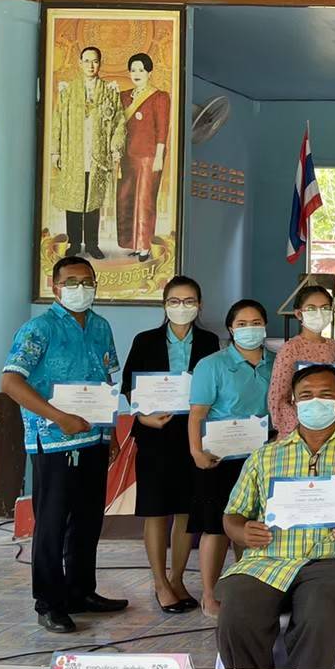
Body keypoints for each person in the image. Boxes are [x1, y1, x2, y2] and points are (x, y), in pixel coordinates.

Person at [217, 365, 335, 669]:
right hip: (268, 559)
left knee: (318, 616)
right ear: (294, 403)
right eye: (306, 395)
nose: (316, 402)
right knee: (237, 609)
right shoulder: (264, 456)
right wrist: (243, 532)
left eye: (325, 395)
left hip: (334, 561)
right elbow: (232, 515)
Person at [1, 257, 127, 633]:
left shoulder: (101, 326)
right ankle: (49, 602)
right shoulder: (38, 329)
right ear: (55, 286)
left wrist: (111, 433)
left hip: (94, 438)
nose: (80, 288)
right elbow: (10, 382)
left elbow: (106, 382)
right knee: (52, 523)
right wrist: (58, 416)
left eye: (87, 281)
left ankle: (80, 592)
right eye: (71, 281)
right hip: (55, 441)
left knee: (88, 520)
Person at [121, 275, 219, 613]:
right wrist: (143, 415)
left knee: (186, 510)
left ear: (199, 305)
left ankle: (177, 579)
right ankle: (160, 582)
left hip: (193, 435)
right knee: (157, 509)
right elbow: (129, 386)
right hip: (155, 434)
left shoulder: (209, 341)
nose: (182, 307)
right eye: (175, 301)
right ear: (164, 305)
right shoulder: (145, 340)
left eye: (189, 301)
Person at [189, 299, 275, 617]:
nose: (250, 329)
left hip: (261, 458)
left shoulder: (276, 362)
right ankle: (210, 595)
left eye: (256, 323)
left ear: (265, 326)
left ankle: (246, 590)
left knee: (251, 526)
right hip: (218, 458)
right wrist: (196, 451)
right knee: (216, 528)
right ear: (230, 328)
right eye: (242, 324)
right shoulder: (212, 365)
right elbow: (197, 414)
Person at [51, 45, 123, 260]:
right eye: (87, 61)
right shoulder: (68, 91)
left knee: (93, 200)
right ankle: (74, 243)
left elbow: (119, 121)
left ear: (100, 64)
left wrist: (115, 147)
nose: (91, 65)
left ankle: (92, 244)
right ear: (80, 63)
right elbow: (57, 122)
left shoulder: (109, 91)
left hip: (97, 154)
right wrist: (56, 151)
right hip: (73, 153)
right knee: (74, 200)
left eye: (95, 61)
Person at [268, 283, 335, 436]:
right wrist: (300, 429)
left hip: (331, 425)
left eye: (325, 308)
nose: (319, 313)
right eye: (311, 308)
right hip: (299, 430)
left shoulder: (334, 347)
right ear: (298, 314)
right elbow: (278, 398)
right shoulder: (290, 349)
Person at [115, 52, 168, 261]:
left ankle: (144, 245)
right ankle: (133, 243)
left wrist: (159, 156)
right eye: (133, 70)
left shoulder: (159, 97)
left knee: (144, 201)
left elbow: (162, 128)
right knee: (126, 198)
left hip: (148, 156)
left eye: (141, 70)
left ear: (149, 72)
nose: (136, 73)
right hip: (127, 156)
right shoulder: (123, 96)